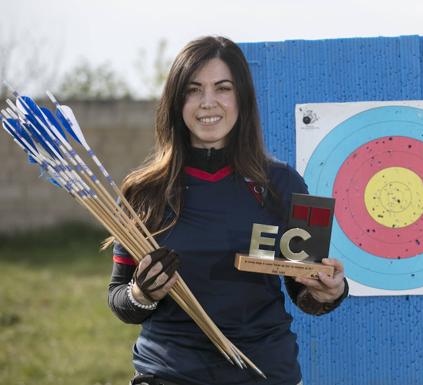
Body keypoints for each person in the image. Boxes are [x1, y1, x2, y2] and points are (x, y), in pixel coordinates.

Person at [107, 36, 348, 385]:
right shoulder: (142, 191)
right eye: (193, 89)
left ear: (242, 98)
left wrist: (330, 292)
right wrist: (142, 294)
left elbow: (305, 292)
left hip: (263, 372)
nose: (208, 103)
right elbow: (119, 299)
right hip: (169, 374)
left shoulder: (284, 183)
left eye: (223, 88)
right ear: (177, 101)